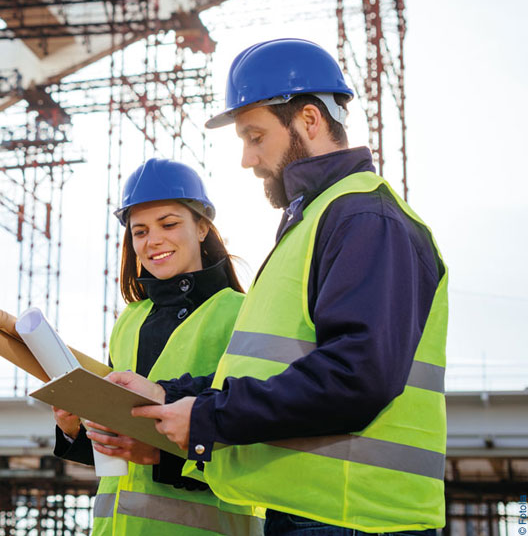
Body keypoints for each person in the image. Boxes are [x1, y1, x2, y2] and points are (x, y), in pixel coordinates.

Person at [113, 39, 448, 535]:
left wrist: (208, 418)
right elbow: (277, 373)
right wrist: (166, 394)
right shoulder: (319, 221)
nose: (248, 159)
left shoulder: (364, 217)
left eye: (255, 136)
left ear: (309, 121)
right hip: (316, 511)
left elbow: (358, 376)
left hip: (357, 518)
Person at [53, 158, 262, 536]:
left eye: (169, 224)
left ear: (202, 227)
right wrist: (75, 429)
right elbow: (118, 451)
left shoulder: (241, 314)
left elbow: (257, 435)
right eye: (140, 231)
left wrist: (161, 458)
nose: (153, 241)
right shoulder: (129, 321)